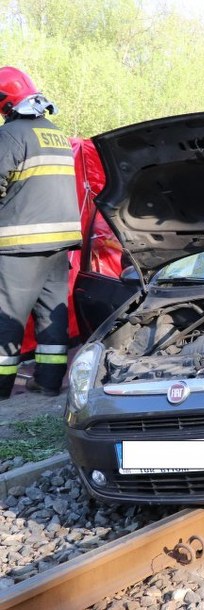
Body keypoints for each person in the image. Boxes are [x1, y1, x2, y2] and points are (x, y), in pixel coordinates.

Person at [0, 67, 80, 399]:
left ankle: (1, 388)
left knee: (7, 316)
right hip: (60, 244)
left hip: (21, 244)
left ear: (7, 102)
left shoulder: (11, 135)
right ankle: (48, 383)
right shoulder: (56, 133)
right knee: (51, 315)